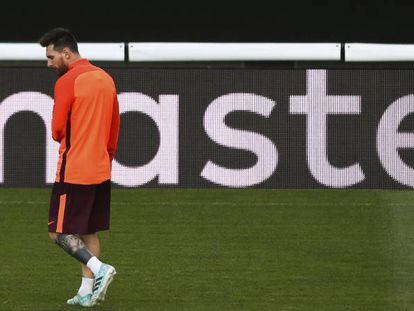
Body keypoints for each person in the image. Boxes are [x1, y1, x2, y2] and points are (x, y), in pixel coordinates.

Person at [39, 27, 120, 307]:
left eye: (51, 58)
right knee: (88, 231)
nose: (49, 64)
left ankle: (100, 269)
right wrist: (106, 155)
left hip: (74, 169)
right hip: (100, 168)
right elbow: (114, 127)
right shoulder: (105, 78)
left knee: (58, 232)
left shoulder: (67, 82)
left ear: (66, 52)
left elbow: (57, 129)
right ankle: (87, 292)